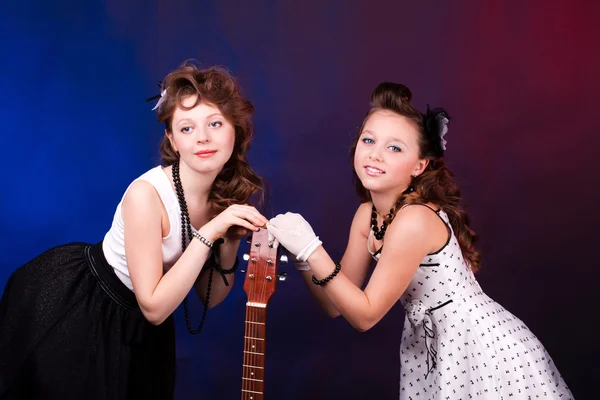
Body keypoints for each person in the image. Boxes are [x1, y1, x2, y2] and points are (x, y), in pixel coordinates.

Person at [267, 82, 573, 399]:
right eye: (368, 140)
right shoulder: (366, 215)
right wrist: (302, 255)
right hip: (432, 349)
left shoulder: (414, 220)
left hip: (479, 349)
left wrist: (310, 247)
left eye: (394, 147)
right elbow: (335, 304)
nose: (375, 154)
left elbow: (365, 315)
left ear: (419, 165)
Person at [0, 60, 268, 399]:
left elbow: (209, 298)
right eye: (186, 128)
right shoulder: (146, 196)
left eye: (215, 123)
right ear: (171, 138)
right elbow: (155, 307)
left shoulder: (221, 200)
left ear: (235, 128)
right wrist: (211, 230)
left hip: (143, 327)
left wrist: (228, 241)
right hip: (87, 310)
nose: (202, 138)